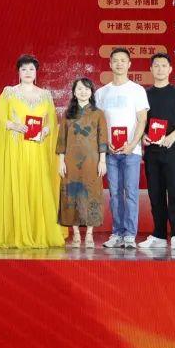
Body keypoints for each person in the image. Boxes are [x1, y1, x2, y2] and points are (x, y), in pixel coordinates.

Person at [0, 55, 65, 248]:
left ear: (36, 72)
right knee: (17, 185)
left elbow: (51, 122)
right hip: (16, 148)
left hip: (37, 150)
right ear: (18, 72)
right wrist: (14, 125)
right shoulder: (9, 92)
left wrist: (46, 130)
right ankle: (15, 233)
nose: (28, 72)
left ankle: (38, 232)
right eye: (24, 69)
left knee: (37, 186)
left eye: (31, 69)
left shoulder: (45, 95)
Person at [95, 47, 149, 249]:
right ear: (110, 64)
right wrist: (105, 143)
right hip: (110, 152)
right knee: (115, 194)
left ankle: (130, 235)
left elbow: (142, 120)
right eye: (115, 60)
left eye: (123, 60)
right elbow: (99, 123)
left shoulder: (137, 90)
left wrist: (132, 144)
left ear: (129, 64)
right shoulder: (102, 92)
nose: (119, 64)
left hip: (131, 152)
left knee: (131, 193)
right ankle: (117, 233)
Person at [139, 53, 175, 250]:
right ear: (151, 69)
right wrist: (143, 135)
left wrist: (173, 136)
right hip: (152, 151)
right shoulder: (144, 94)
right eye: (156, 65)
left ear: (170, 69)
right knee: (155, 193)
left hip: (172, 150)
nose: (160, 69)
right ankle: (159, 235)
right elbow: (141, 121)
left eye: (164, 65)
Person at [56, 78, 108, 247]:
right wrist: (61, 162)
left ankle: (90, 235)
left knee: (92, 194)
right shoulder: (68, 113)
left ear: (91, 92)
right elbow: (61, 139)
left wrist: (102, 161)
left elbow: (102, 138)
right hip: (70, 162)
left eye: (86, 89)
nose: (83, 92)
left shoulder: (98, 113)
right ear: (74, 92)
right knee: (72, 194)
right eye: (79, 89)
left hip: (92, 161)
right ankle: (76, 234)